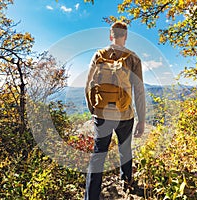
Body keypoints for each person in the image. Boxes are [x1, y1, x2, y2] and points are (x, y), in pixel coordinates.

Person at [84, 21, 146, 200]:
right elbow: (139, 91)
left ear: (111, 36)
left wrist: (94, 110)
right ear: (125, 36)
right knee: (125, 149)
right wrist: (141, 119)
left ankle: (91, 196)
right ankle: (127, 185)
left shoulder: (99, 55)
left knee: (98, 155)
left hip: (102, 113)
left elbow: (88, 85)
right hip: (125, 114)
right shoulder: (133, 58)